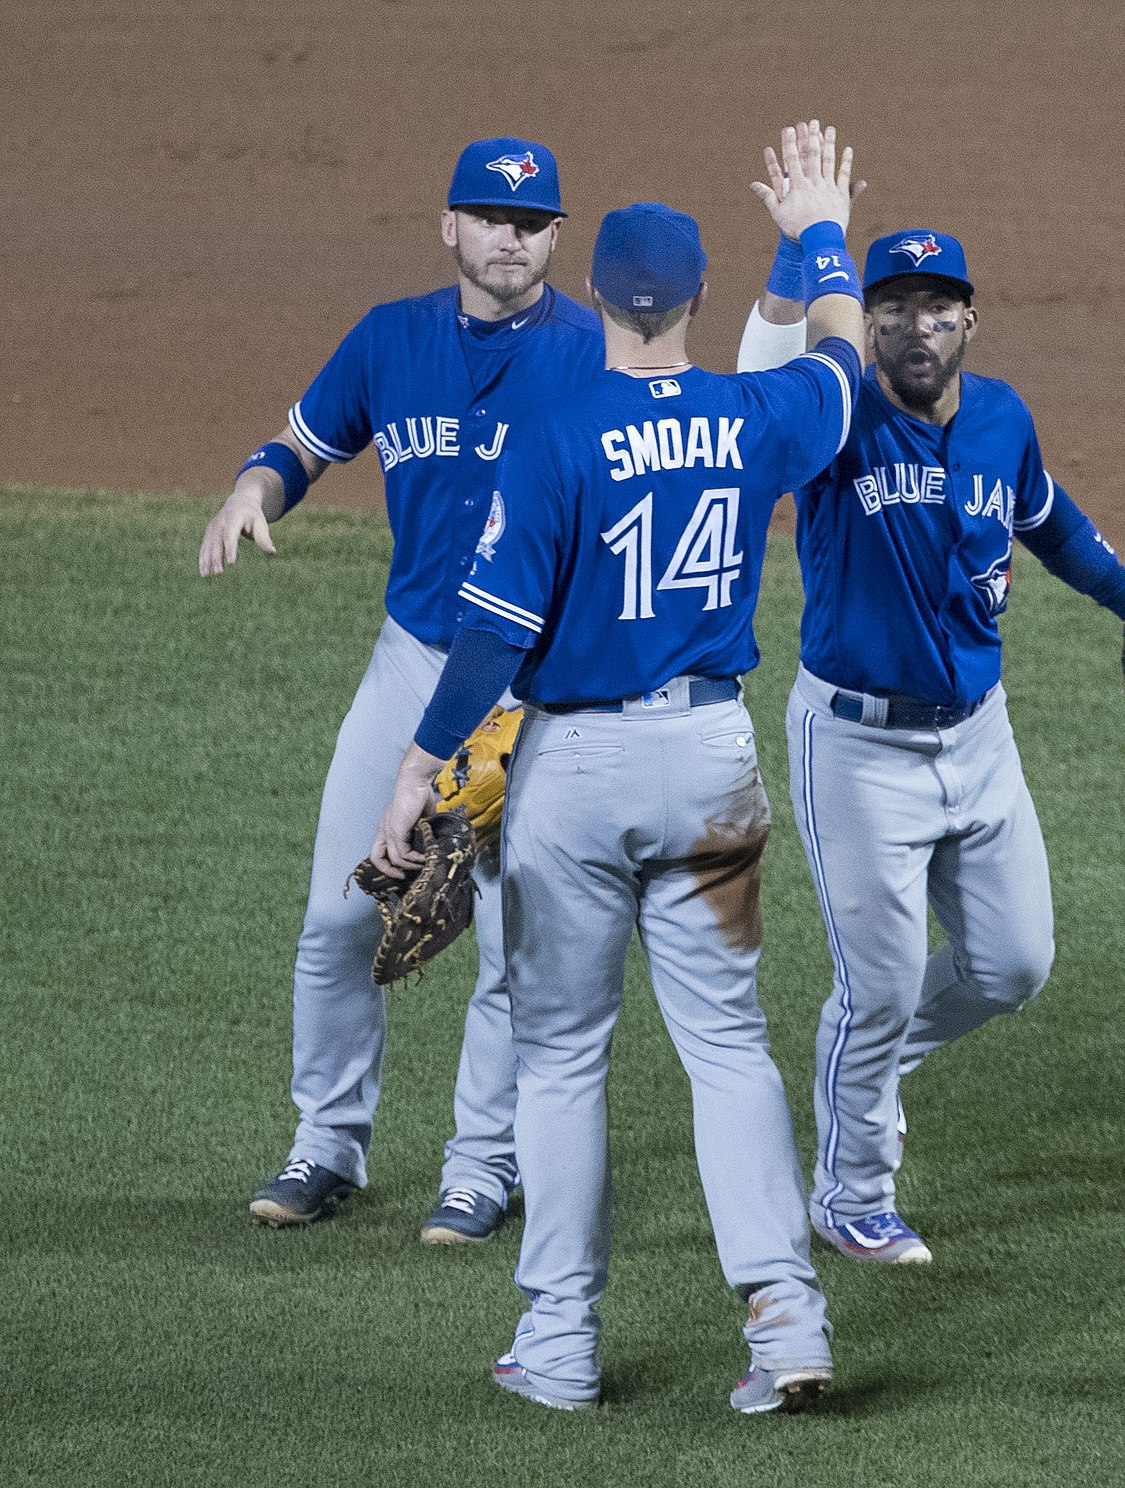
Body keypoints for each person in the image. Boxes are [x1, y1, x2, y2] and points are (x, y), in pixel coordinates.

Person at [367, 124, 862, 1412]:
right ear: (698, 300)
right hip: (709, 763)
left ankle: (563, 1342)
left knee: (562, 1059)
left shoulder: (553, 431)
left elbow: (493, 635)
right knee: (731, 1049)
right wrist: (817, 232)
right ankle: (788, 1322)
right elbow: (847, 363)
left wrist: (419, 768)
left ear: (592, 295)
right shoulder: (760, 412)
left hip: (575, 776)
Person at [198, 136, 601, 1244]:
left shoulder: (595, 355)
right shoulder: (390, 337)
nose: (508, 237)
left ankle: (483, 1164)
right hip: (414, 662)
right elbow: (301, 444)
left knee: (519, 944)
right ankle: (326, 1145)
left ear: (555, 238)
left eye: (530, 222)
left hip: (541, 689)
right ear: (450, 228)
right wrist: (252, 493)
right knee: (338, 916)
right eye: (488, 216)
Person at [735, 214, 1125, 1268]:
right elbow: (760, 369)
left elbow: (1050, 523)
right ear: (866, 323)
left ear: (969, 318)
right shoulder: (834, 419)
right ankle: (849, 1192)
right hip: (858, 751)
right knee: (875, 986)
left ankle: (859, 1060)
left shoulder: (1004, 418)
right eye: (891, 308)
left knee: (1014, 964)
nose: (914, 326)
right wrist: (803, 244)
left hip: (979, 737)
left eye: (934, 307)